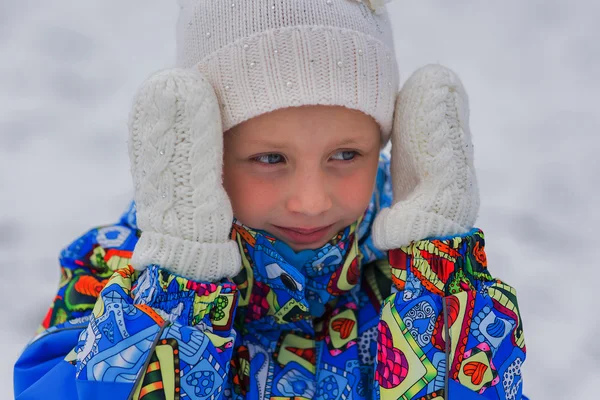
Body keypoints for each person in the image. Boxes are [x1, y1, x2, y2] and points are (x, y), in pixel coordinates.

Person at [14, 1, 527, 399]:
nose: (310, 201)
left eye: (346, 154)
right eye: (269, 159)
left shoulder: (410, 282)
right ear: (206, 147)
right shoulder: (116, 280)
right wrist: (178, 284)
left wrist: (438, 277)